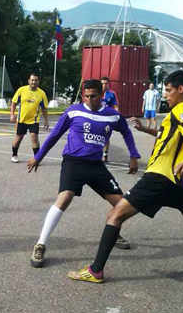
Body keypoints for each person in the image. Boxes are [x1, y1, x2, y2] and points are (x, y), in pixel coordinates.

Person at [68, 70, 183, 284]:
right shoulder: (178, 113)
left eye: (168, 90)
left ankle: (95, 271)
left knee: (115, 215)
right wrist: (144, 129)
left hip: (159, 177)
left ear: (180, 89)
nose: (165, 95)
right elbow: (166, 134)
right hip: (178, 183)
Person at [27, 79, 139, 267]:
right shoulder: (74, 111)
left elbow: (126, 132)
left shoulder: (112, 115)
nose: (89, 99)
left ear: (101, 95)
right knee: (64, 197)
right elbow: (54, 134)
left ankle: (112, 229)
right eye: (86, 96)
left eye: (93, 96)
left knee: (122, 205)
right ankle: (40, 244)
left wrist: (133, 154)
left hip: (96, 165)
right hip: (74, 162)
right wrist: (39, 156)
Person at [10, 74, 49, 163]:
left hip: (34, 121)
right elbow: (14, 102)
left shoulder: (41, 93)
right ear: (28, 81)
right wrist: (12, 114)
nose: (34, 82)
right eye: (32, 80)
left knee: (34, 137)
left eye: (35, 80)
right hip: (22, 120)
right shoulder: (21, 90)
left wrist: (46, 121)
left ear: (38, 82)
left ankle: (37, 157)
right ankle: (14, 155)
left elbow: (44, 108)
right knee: (18, 138)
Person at [100, 77, 119, 162]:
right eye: (102, 83)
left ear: (108, 84)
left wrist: (118, 116)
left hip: (107, 119)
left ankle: (105, 154)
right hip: (97, 118)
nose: (104, 85)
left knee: (106, 137)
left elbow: (115, 106)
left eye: (105, 83)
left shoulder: (112, 94)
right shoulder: (97, 92)